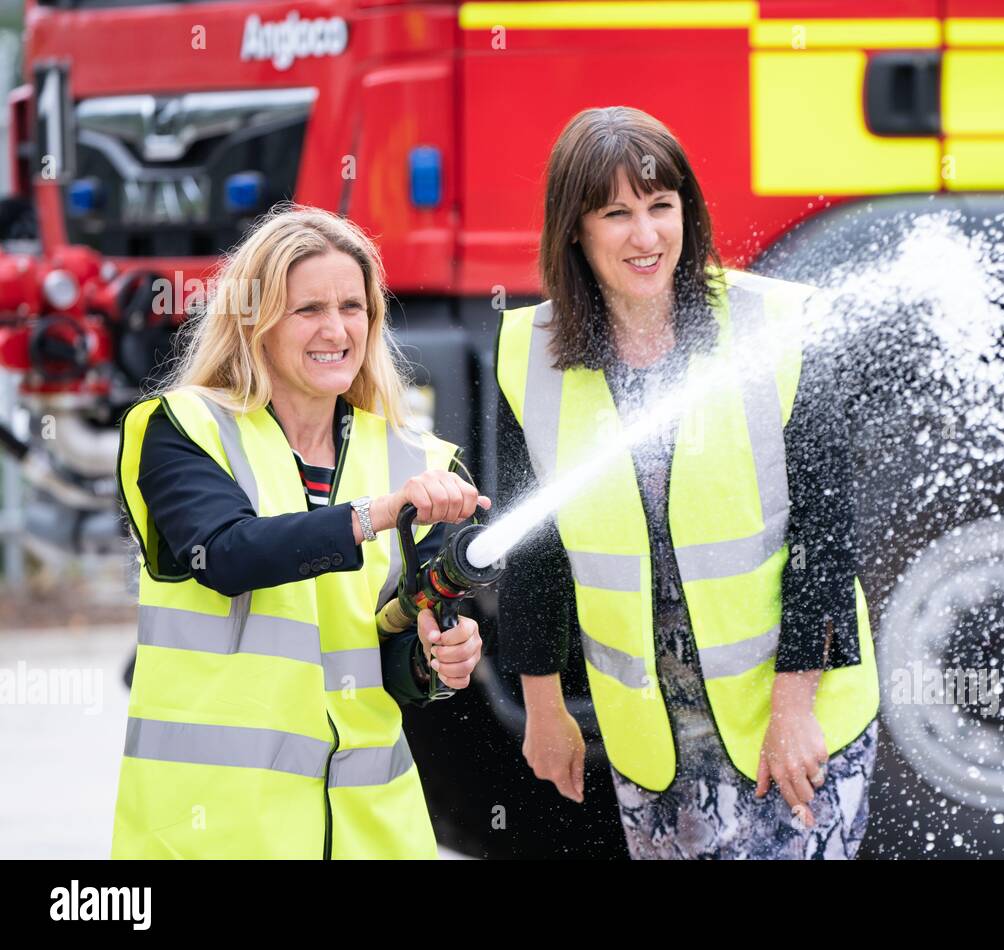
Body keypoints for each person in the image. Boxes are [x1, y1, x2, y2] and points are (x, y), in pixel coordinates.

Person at [494, 107, 881, 859]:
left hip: (790, 720)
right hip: (657, 744)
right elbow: (534, 549)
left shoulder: (771, 326)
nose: (646, 237)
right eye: (617, 214)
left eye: (660, 207)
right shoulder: (528, 357)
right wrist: (545, 707)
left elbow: (825, 534)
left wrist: (796, 707)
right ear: (575, 228)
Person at [111, 204, 488, 859]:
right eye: (308, 309)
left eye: (353, 307)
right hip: (216, 834)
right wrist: (374, 514)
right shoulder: (184, 431)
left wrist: (434, 657)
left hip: (370, 833)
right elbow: (225, 555)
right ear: (254, 322)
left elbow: (388, 658)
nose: (336, 329)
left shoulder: (417, 460)